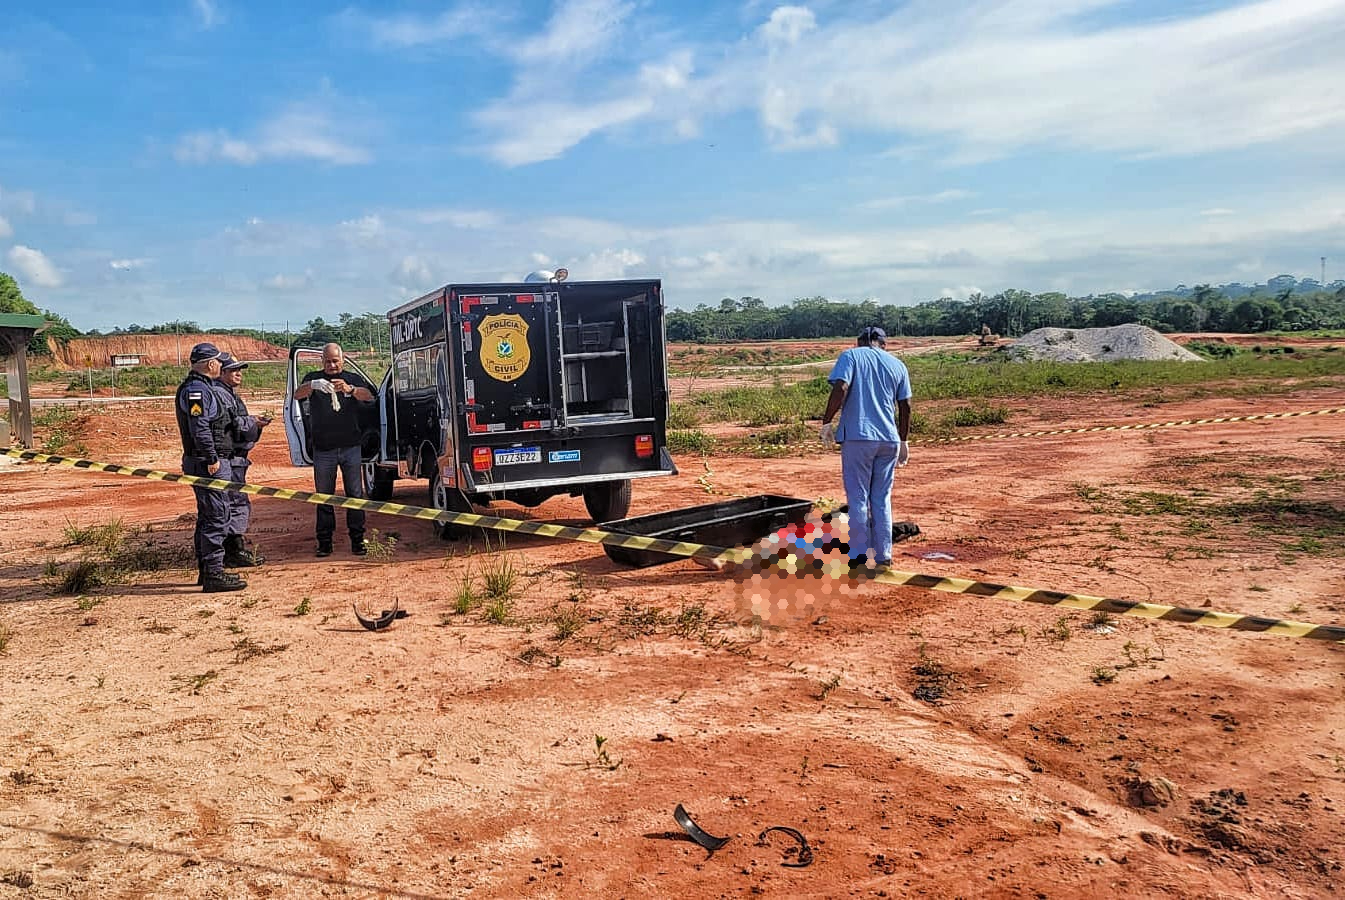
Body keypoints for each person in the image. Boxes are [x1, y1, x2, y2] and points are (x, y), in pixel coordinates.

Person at [819, 326, 912, 569]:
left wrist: (827, 421)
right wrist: (903, 440)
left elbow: (841, 387)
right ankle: (884, 555)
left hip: (858, 437)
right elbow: (905, 405)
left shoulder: (850, 356)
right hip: (889, 439)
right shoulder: (897, 365)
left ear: (859, 341)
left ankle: (859, 556)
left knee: (858, 497)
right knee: (881, 498)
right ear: (884, 343)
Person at [174, 342, 246, 593]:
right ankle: (213, 573)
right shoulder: (197, 391)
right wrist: (212, 458)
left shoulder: (201, 387)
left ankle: (208, 571)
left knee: (209, 516)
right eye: (218, 361)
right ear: (211, 364)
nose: (220, 364)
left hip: (205, 461)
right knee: (216, 516)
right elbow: (200, 428)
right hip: (207, 463)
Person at [291, 342, 375, 556]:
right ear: (322, 361)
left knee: (355, 495)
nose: (331, 365)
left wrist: (350, 389)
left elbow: (369, 396)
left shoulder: (352, 378)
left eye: (335, 361)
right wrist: (313, 385)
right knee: (324, 497)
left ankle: (358, 540)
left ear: (342, 360)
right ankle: (325, 542)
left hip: (351, 447)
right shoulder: (313, 378)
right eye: (327, 361)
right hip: (323, 449)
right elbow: (297, 395)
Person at [215, 352, 271, 568]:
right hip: (229, 459)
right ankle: (233, 552)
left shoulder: (226, 393)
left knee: (232, 502)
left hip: (234, 458)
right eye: (233, 370)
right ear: (221, 372)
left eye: (239, 370)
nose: (239, 374)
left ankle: (231, 550)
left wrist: (253, 423)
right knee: (235, 503)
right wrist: (253, 423)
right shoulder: (221, 394)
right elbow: (234, 424)